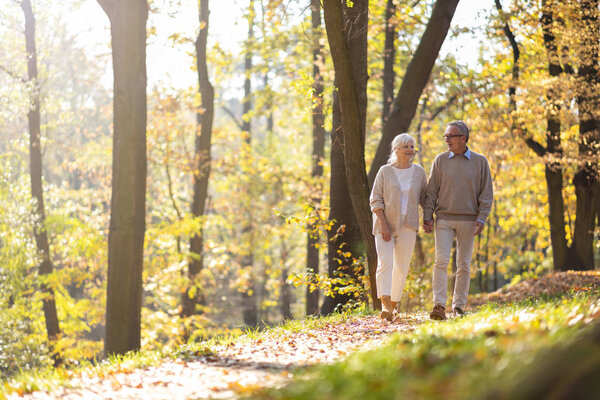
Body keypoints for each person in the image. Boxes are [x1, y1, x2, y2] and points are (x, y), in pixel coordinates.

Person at [423, 120, 493, 320]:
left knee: (463, 264)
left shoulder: (480, 162)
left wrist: (482, 218)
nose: (446, 140)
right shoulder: (440, 160)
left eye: (450, 136)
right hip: (443, 218)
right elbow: (431, 191)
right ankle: (439, 305)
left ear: (463, 138)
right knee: (441, 261)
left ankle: (459, 306)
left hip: (469, 221)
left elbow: (486, 194)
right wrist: (428, 216)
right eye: (445, 136)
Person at [370, 133, 428, 322]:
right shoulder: (385, 171)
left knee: (401, 266)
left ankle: (394, 304)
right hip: (384, 224)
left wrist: (428, 218)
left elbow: (425, 198)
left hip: (408, 224)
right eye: (406, 146)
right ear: (396, 149)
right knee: (385, 262)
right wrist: (384, 223)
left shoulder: (419, 172)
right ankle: (385, 303)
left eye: (412, 146)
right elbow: (375, 199)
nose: (410, 150)